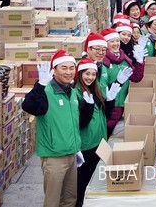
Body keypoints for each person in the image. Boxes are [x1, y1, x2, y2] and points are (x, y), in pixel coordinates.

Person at [22, 50, 81, 207]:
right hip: (54, 156)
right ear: (53, 70)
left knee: (70, 199)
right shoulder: (46, 91)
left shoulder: (72, 92)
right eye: (63, 68)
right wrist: (40, 85)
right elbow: (28, 106)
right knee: (53, 201)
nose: (68, 72)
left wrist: (77, 147)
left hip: (71, 153)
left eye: (71, 68)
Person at [75, 57, 114, 207]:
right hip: (86, 144)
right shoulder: (76, 93)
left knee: (95, 178)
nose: (90, 77)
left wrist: (110, 101)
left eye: (93, 74)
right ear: (80, 74)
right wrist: (88, 107)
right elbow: (80, 123)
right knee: (83, 180)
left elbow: (105, 115)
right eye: (87, 74)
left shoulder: (95, 90)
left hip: (99, 141)